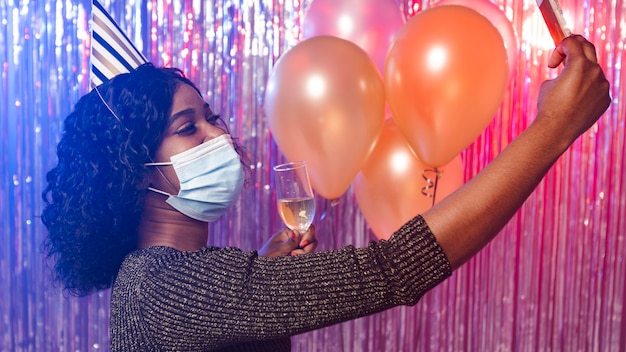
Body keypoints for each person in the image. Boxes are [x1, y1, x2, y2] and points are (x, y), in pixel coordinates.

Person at [42, 34, 610, 351]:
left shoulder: (194, 273)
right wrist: (553, 129)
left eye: (212, 117)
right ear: (134, 171)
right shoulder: (158, 283)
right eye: (191, 127)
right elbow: (393, 271)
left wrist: (263, 274)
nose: (222, 135)